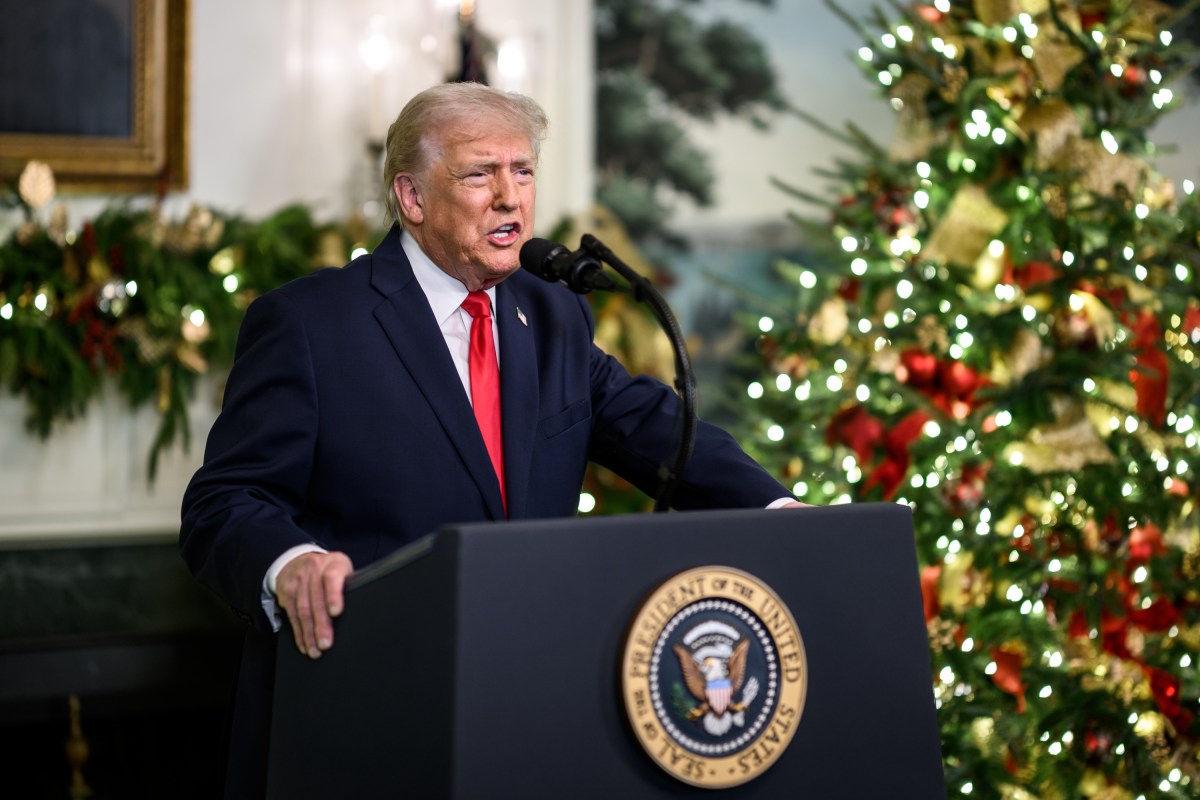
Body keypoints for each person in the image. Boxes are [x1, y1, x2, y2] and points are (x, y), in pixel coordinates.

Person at [179, 81, 800, 798]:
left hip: (521, 708)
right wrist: (290, 565)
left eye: (523, 171)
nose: (510, 198)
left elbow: (649, 424)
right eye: (480, 174)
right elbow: (224, 502)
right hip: (365, 711)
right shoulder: (311, 323)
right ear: (412, 198)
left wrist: (781, 513)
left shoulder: (552, 309)